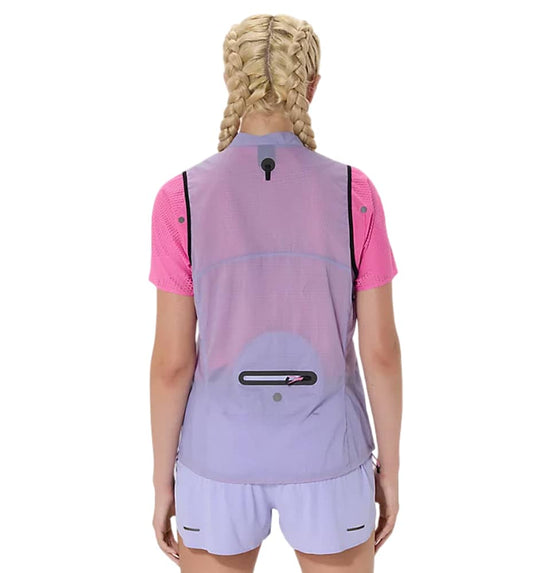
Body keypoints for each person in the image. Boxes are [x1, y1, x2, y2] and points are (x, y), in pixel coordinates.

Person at [149, 13, 402, 573]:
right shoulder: (355, 193)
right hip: (329, 456)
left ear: (230, 81)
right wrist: (390, 469)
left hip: (217, 460)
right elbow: (380, 351)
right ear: (312, 86)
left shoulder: (180, 199)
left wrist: (163, 479)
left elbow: (172, 363)